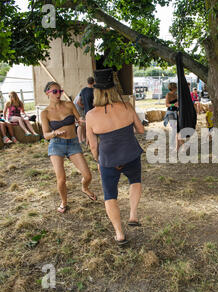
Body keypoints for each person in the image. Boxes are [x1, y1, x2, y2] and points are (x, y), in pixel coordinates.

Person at [85, 68, 145, 245]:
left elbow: (93, 145)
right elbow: (141, 130)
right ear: (113, 89)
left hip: (108, 159)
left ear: (95, 92)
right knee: (135, 181)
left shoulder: (90, 115)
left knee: (110, 195)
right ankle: (133, 214)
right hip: (130, 153)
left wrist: (98, 161)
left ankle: (119, 234)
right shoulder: (126, 106)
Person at [40, 81, 97, 214]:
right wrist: (54, 133)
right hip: (56, 145)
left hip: (72, 143)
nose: (58, 94)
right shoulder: (45, 113)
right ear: (47, 94)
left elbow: (79, 120)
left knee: (88, 175)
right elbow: (46, 135)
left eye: (60, 91)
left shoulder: (69, 104)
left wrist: (85, 122)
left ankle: (85, 188)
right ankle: (64, 202)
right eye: (55, 91)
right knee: (61, 179)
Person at [77, 77, 95, 145]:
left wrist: (84, 107)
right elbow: (95, 102)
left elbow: (78, 102)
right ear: (94, 82)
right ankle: (89, 142)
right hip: (93, 112)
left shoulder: (83, 90)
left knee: (87, 127)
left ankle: (86, 142)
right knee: (92, 128)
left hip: (86, 111)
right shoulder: (94, 91)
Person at [165, 82, 181, 150]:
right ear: (173, 88)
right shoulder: (168, 94)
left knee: (177, 128)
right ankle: (172, 144)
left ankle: (176, 143)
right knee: (174, 129)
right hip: (170, 113)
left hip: (176, 112)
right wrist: (173, 105)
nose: (176, 88)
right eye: (175, 87)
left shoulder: (176, 94)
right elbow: (167, 104)